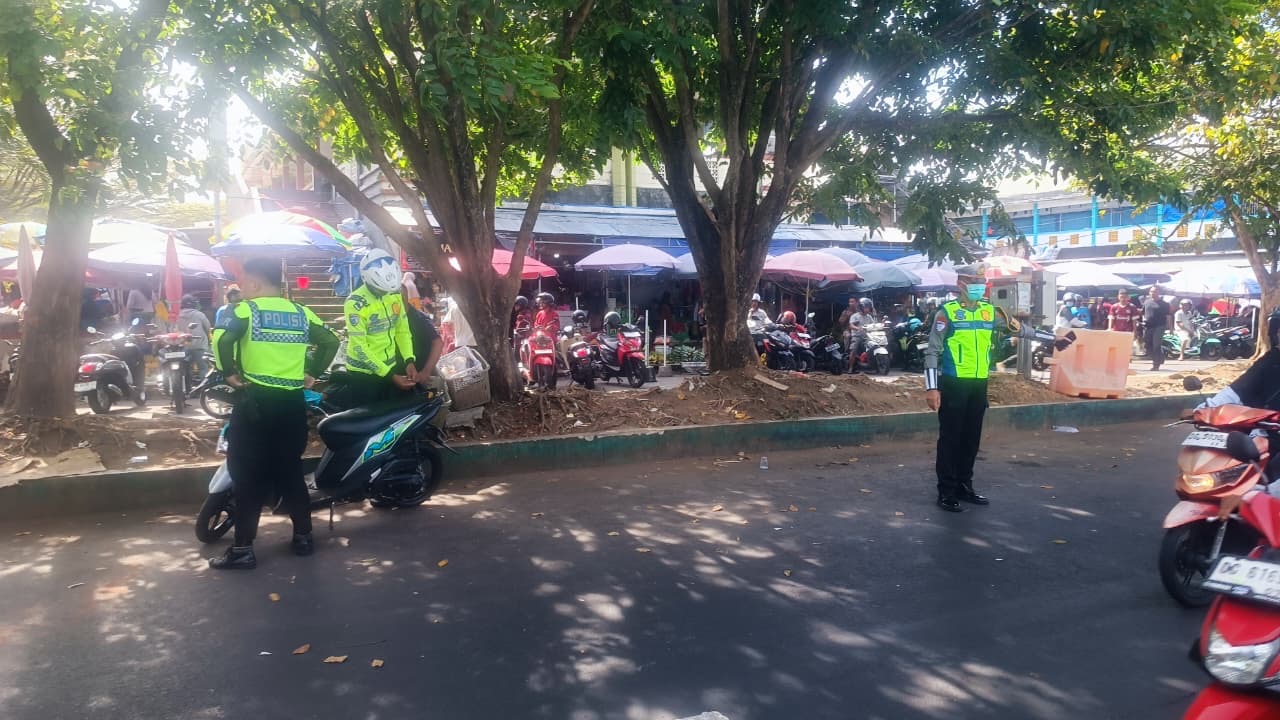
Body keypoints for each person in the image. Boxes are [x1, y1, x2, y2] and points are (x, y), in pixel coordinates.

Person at [208, 258, 339, 570]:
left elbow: (222, 339)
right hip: (291, 404)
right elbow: (330, 340)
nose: (241, 288)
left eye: (243, 282)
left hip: (254, 402)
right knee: (290, 471)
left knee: (247, 476)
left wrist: (228, 373)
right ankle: (303, 538)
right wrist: (312, 372)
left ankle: (243, 550)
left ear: (254, 283)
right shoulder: (301, 313)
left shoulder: (244, 310)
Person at [924, 266, 1003, 512]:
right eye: (974, 281)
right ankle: (946, 491)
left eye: (982, 281)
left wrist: (1053, 339)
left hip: (979, 384)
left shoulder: (989, 311)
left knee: (971, 439)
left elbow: (1017, 328)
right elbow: (932, 351)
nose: (980, 285)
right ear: (961, 284)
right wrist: (931, 388)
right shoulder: (947, 313)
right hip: (954, 383)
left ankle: (964, 485)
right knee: (951, 439)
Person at [343, 249, 417, 406]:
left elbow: (402, 330)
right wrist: (390, 376)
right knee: (369, 417)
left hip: (389, 367)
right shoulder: (354, 304)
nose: (385, 293)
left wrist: (409, 359)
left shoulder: (394, 294)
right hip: (363, 373)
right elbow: (359, 348)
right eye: (380, 289)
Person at [174, 294, 212, 379]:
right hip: (199, 346)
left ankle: (187, 385)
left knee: (186, 368)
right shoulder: (200, 315)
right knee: (203, 368)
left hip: (184, 347)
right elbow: (207, 327)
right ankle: (202, 385)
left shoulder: (178, 316)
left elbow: (176, 330)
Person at [1142, 286, 1173, 370]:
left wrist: (1171, 328)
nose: (1153, 293)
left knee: (1156, 345)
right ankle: (1161, 357)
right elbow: (1143, 313)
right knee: (1147, 345)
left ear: (1158, 292)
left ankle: (1156, 365)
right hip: (1148, 326)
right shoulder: (1146, 302)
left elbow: (1168, 316)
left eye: (1155, 291)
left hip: (1159, 326)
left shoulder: (1164, 304)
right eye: (1151, 291)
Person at [845, 298, 877, 372]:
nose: (868, 309)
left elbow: (873, 325)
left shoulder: (869, 317)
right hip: (857, 336)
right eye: (866, 307)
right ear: (861, 307)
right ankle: (850, 368)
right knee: (853, 350)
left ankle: (873, 366)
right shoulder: (855, 316)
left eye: (868, 307)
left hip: (867, 337)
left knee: (873, 347)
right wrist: (857, 328)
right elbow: (851, 325)